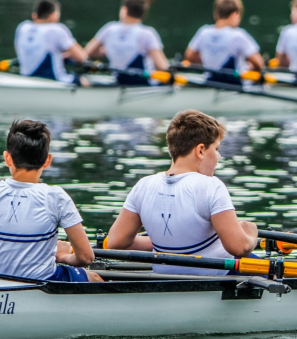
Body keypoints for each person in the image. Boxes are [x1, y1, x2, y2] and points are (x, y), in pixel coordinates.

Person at [0, 119, 102, 282]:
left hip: (2, 281)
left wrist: (4, 245)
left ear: (7, 158)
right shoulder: (55, 196)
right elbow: (86, 257)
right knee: (95, 277)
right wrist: (63, 256)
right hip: (45, 280)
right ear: (47, 160)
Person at [103, 110, 258, 275]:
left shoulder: (143, 185)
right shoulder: (211, 186)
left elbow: (115, 242)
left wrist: (161, 242)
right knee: (274, 273)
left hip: (165, 278)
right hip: (217, 278)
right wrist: (251, 236)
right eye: (216, 148)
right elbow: (239, 248)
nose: (218, 156)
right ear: (200, 151)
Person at [84, 0, 169, 85]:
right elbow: (162, 66)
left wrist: (109, 50)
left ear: (124, 10)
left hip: (119, 81)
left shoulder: (109, 29)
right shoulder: (147, 33)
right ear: (144, 13)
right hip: (142, 83)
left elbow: (87, 53)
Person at [184, 0, 263, 85]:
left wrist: (209, 59)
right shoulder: (238, 35)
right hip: (235, 84)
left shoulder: (203, 32)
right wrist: (250, 68)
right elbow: (259, 63)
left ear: (215, 15)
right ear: (235, 14)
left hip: (210, 82)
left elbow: (189, 57)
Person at [14, 0, 88, 84]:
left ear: (35, 15)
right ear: (53, 16)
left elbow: (21, 53)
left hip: (26, 78)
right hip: (52, 80)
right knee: (85, 81)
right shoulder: (56, 29)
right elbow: (82, 57)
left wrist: (58, 55)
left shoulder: (23, 27)